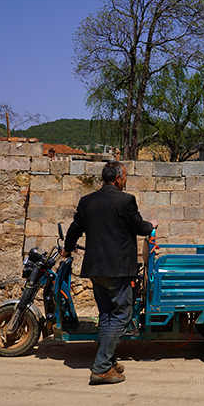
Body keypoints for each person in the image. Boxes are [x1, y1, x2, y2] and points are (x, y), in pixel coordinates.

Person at [62, 160, 156, 385]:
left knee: (106, 315)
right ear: (117, 178)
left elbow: (75, 229)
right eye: (125, 177)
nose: (126, 181)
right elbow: (138, 226)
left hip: (95, 270)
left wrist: (67, 248)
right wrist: (151, 225)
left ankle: (109, 361)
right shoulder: (125, 201)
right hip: (118, 270)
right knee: (122, 314)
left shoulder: (87, 201)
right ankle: (101, 367)